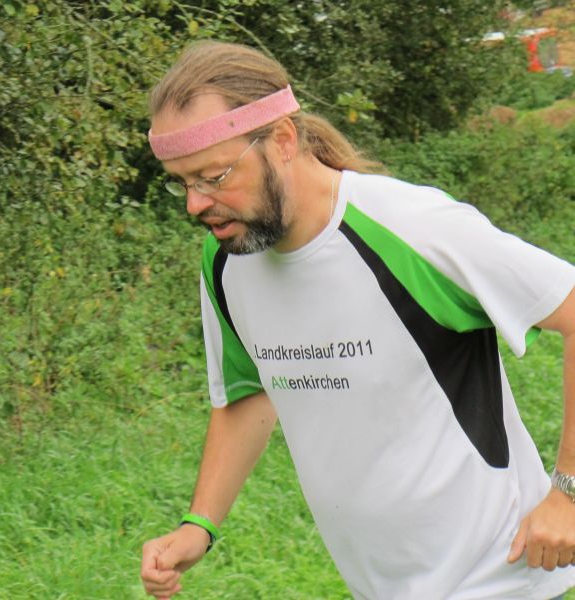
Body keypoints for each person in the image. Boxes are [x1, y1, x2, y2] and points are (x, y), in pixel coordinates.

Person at [139, 41, 575, 600]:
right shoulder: (228, 259)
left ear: (283, 140)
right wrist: (199, 525)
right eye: (182, 182)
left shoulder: (412, 227)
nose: (195, 205)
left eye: (214, 176)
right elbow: (248, 394)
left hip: (497, 576)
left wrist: (567, 492)